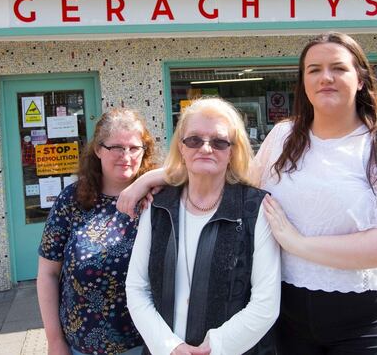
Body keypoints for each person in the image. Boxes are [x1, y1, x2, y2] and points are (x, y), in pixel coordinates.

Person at [256, 32, 377, 353]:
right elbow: (234, 184)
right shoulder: (282, 137)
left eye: (338, 68)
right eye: (314, 70)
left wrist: (298, 244)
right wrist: (149, 179)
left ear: (361, 80)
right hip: (285, 310)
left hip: (365, 316)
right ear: (304, 83)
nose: (325, 77)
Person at [124, 97, 280, 355]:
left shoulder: (255, 209)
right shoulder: (157, 206)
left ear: (232, 151)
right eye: (194, 140)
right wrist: (170, 346)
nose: (206, 149)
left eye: (219, 142)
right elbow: (137, 287)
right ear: (181, 148)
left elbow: (266, 303)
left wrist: (214, 348)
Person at [37, 108, 157, 355]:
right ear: (99, 149)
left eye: (135, 148)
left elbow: (188, 172)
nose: (126, 156)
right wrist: (55, 341)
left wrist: (145, 183)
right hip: (81, 346)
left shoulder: (157, 198)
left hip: (145, 345)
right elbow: (48, 273)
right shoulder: (71, 200)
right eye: (117, 147)